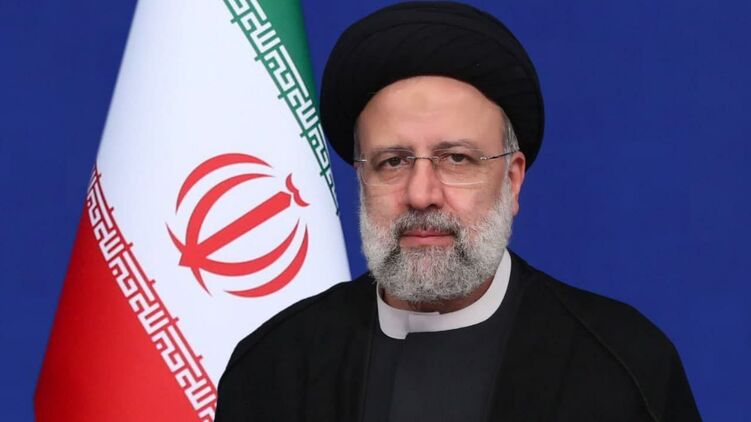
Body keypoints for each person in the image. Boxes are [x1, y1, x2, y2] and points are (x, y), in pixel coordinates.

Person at [215, 2, 701, 421]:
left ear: (512, 180)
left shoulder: (624, 367)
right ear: (362, 179)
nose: (421, 194)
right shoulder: (273, 367)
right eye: (392, 162)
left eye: (456, 159)